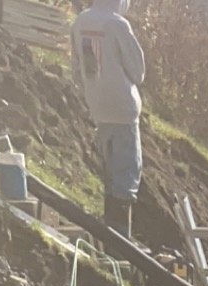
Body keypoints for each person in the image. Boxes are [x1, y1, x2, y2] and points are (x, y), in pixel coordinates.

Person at [70, 0, 145, 239]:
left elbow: (77, 66)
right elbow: (138, 71)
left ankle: (108, 229)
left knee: (109, 168)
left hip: (98, 106)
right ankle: (121, 236)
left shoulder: (81, 21)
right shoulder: (118, 25)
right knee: (127, 170)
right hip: (124, 108)